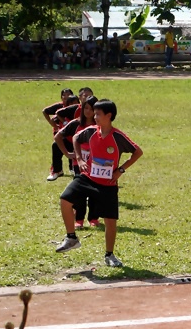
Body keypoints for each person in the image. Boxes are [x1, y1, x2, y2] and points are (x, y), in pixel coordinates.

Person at [55, 99, 143, 268]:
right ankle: (71, 237)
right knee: (65, 200)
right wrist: (79, 158)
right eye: (94, 113)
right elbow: (75, 138)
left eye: (98, 114)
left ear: (109, 116)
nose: (94, 117)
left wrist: (121, 170)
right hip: (87, 178)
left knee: (110, 221)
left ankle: (109, 255)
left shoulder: (118, 137)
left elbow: (137, 152)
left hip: (108, 184)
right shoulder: (90, 131)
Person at [55, 95, 100, 229]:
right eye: (86, 108)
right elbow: (58, 137)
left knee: (94, 191)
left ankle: (93, 218)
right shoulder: (76, 123)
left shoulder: (99, 124)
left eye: (91, 109)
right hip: (79, 164)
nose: (88, 111)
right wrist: (67, 154)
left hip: (96, 164)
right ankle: (79, 219)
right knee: (80, 192)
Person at [43, 88, 75, 181]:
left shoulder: (79, 109)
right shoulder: (60, 109)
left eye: (68, 95)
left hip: (75, 136)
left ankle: (73, 168)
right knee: (56, 146)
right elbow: (49, 114)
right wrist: (55, 126)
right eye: (64, 95)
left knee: (75, 146)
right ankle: (57, 170)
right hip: (63, 135)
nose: (66, 97)